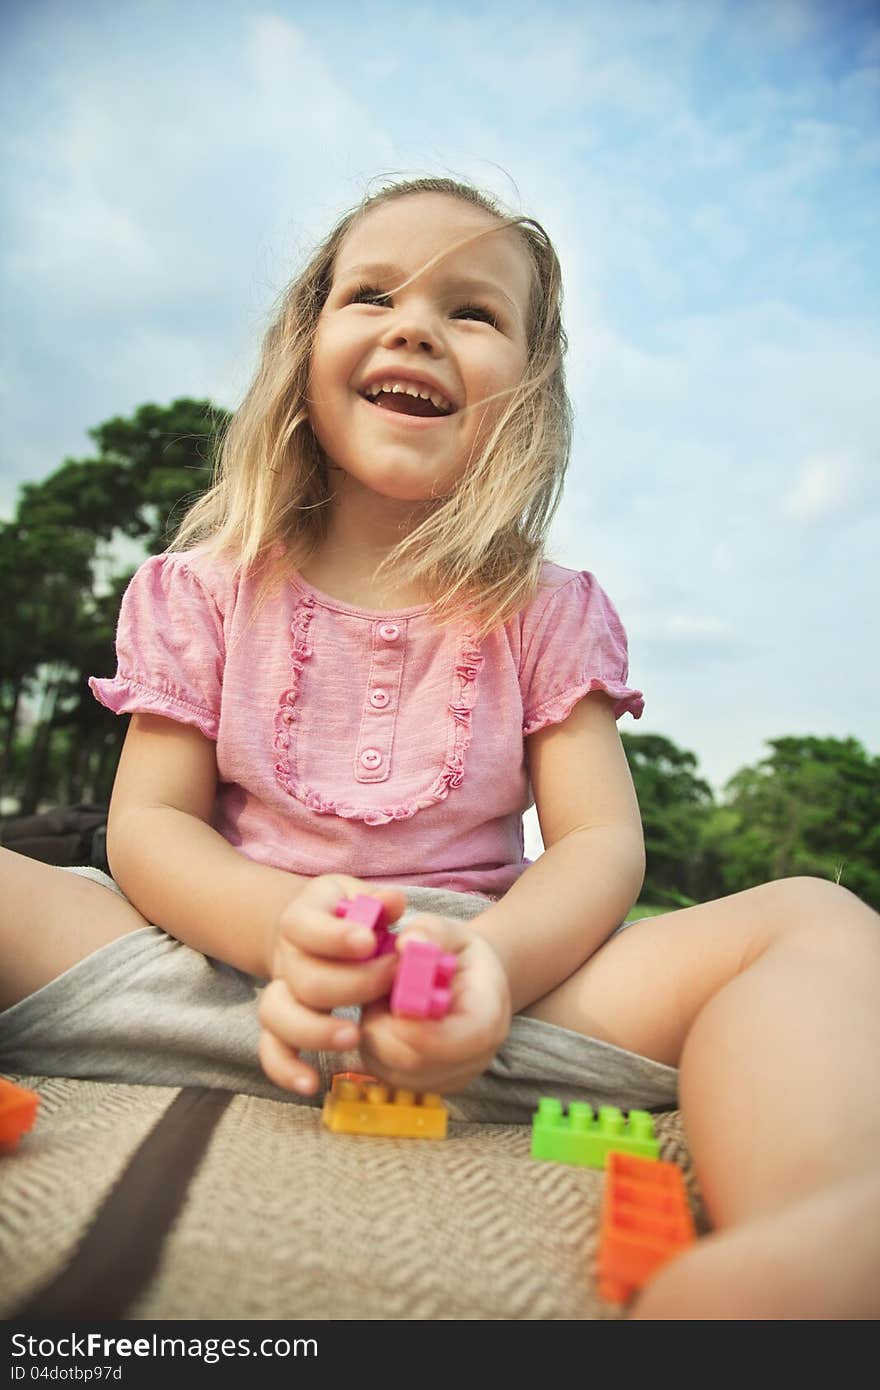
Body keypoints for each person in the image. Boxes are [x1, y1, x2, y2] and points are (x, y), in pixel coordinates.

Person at [1, 177, 878, 1319]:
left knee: (812, 919)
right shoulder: (200, 586)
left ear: (527, 393)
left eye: (472, 312)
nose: (415, 323)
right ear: (305, 347)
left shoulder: (548, 608)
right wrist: (276, 925)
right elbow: (151, 826)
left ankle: (820, 1225)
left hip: (490, 984)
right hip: (211, 964)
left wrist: (497, 969)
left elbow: (600, 845)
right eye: (372, 294)